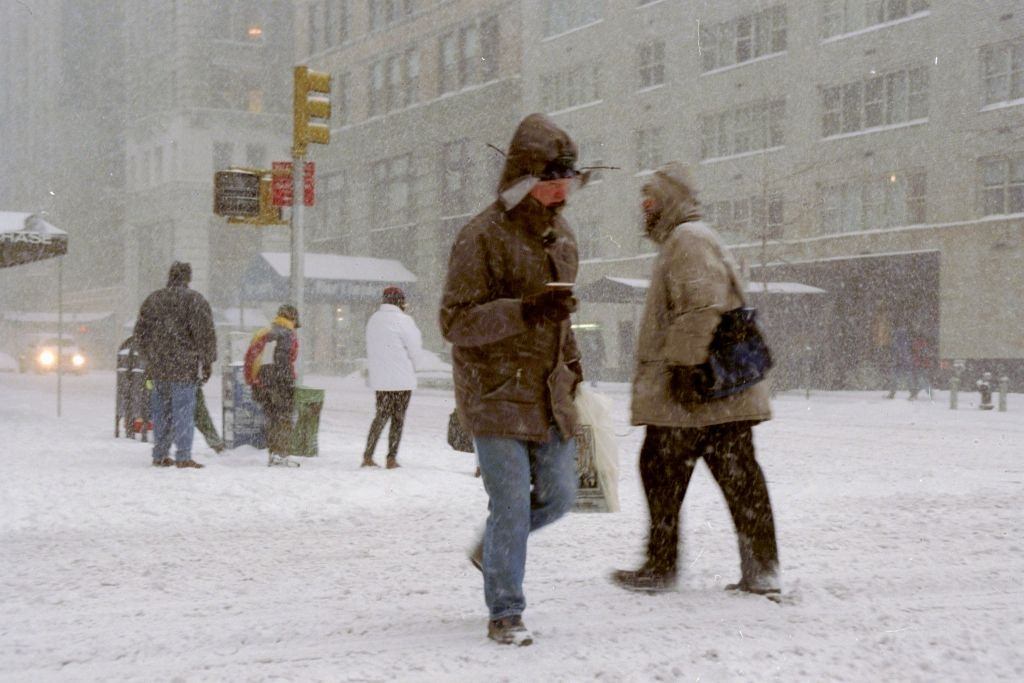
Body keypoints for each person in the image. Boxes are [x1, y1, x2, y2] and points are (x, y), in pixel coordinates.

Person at [440, 113, 586, 646]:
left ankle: (493, 550)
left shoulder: (563, 236)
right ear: (524, 177)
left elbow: (560, 318)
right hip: (494, 391)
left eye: (566, 182)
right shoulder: (479, 237)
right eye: (551, 182)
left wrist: (574, 366)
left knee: (562, 496)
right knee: (510, 504)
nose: (560, 193)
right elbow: (455, 322)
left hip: (548, 392)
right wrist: (524, 310)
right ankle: (506, 611)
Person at [610, 163, 781, 597]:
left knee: (668, 470)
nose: (644, 210)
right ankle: (756, 569)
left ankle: (665, 565)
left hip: (698, 392)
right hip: (712, 395)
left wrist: (685, 367)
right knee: (728, 475)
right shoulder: (686, 239)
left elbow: (701, 306)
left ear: (668, 201)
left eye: (650, 201)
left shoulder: (687, 240)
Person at [133, 261, 217, 469]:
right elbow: (204, 334)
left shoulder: (153, 300)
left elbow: (140, 334)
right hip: (184, 367)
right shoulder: (194, 301)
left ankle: (160, 454)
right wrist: (207, 362)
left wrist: (149, 357)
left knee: (161, 411)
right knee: (183, 412)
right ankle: (183, 455)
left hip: (158, 368)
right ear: (188, 278)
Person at [362, 286, 424, 469]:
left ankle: (368, 455)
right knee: (398, 419)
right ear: (400, 302)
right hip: (402, 379)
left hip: (381, 380)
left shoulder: (373, 320)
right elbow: (415, 349)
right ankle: (391, 458)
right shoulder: (404, 321)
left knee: (380, 416)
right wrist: (416, 367)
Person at [244, 304, 300, 467]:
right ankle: (281, 455)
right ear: (293, 319)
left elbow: (250, 358)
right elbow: (284, 360)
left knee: (271, 418)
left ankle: (274, 453)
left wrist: (253, 381)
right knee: (284, 418)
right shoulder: (288, 334)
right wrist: (288, 382)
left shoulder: (264, 331)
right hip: (279, 382)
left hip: (262, 381)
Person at [194, 386, 225, 453]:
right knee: (201, 415)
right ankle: (216, 443)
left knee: (201, 414)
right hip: (186, 382)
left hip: (187, 382)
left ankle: (216, 443)